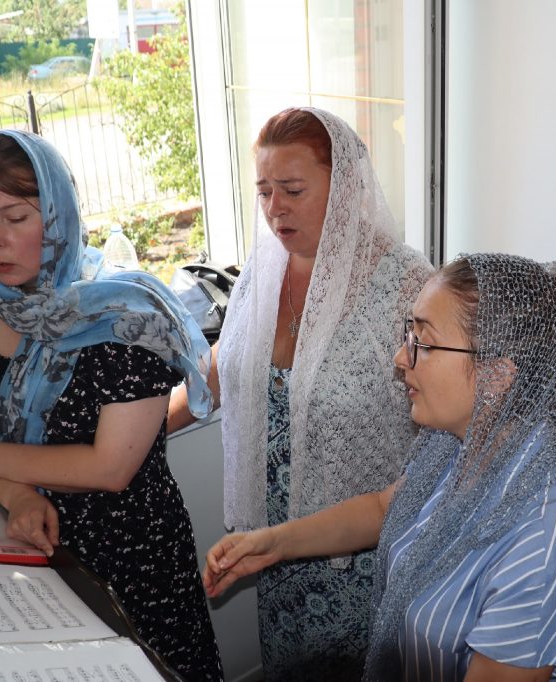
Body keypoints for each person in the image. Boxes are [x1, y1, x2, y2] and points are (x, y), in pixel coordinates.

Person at [204, 254, 556, 681]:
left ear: (496, 375)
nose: (400, 357)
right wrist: (273, 543)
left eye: (425, 343)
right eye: (408, 333)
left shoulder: (547, 530)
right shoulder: (461, 440)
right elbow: (386, 509)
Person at [0, 130, 222, 681]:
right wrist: (16, 495)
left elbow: (109, 468)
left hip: (131, 560)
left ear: (57, 214)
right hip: (25, 545)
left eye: (14, 218)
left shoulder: (127, 317)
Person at [169, 107, 432, 678]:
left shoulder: (408, 283)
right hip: (275, 539)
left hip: (364, 549)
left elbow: (444, 414)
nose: (275, 209)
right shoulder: (263, 272)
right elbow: (225, 365)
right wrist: (142, 430)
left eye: (292, 190)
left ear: (347, 187)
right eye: (264, 191)